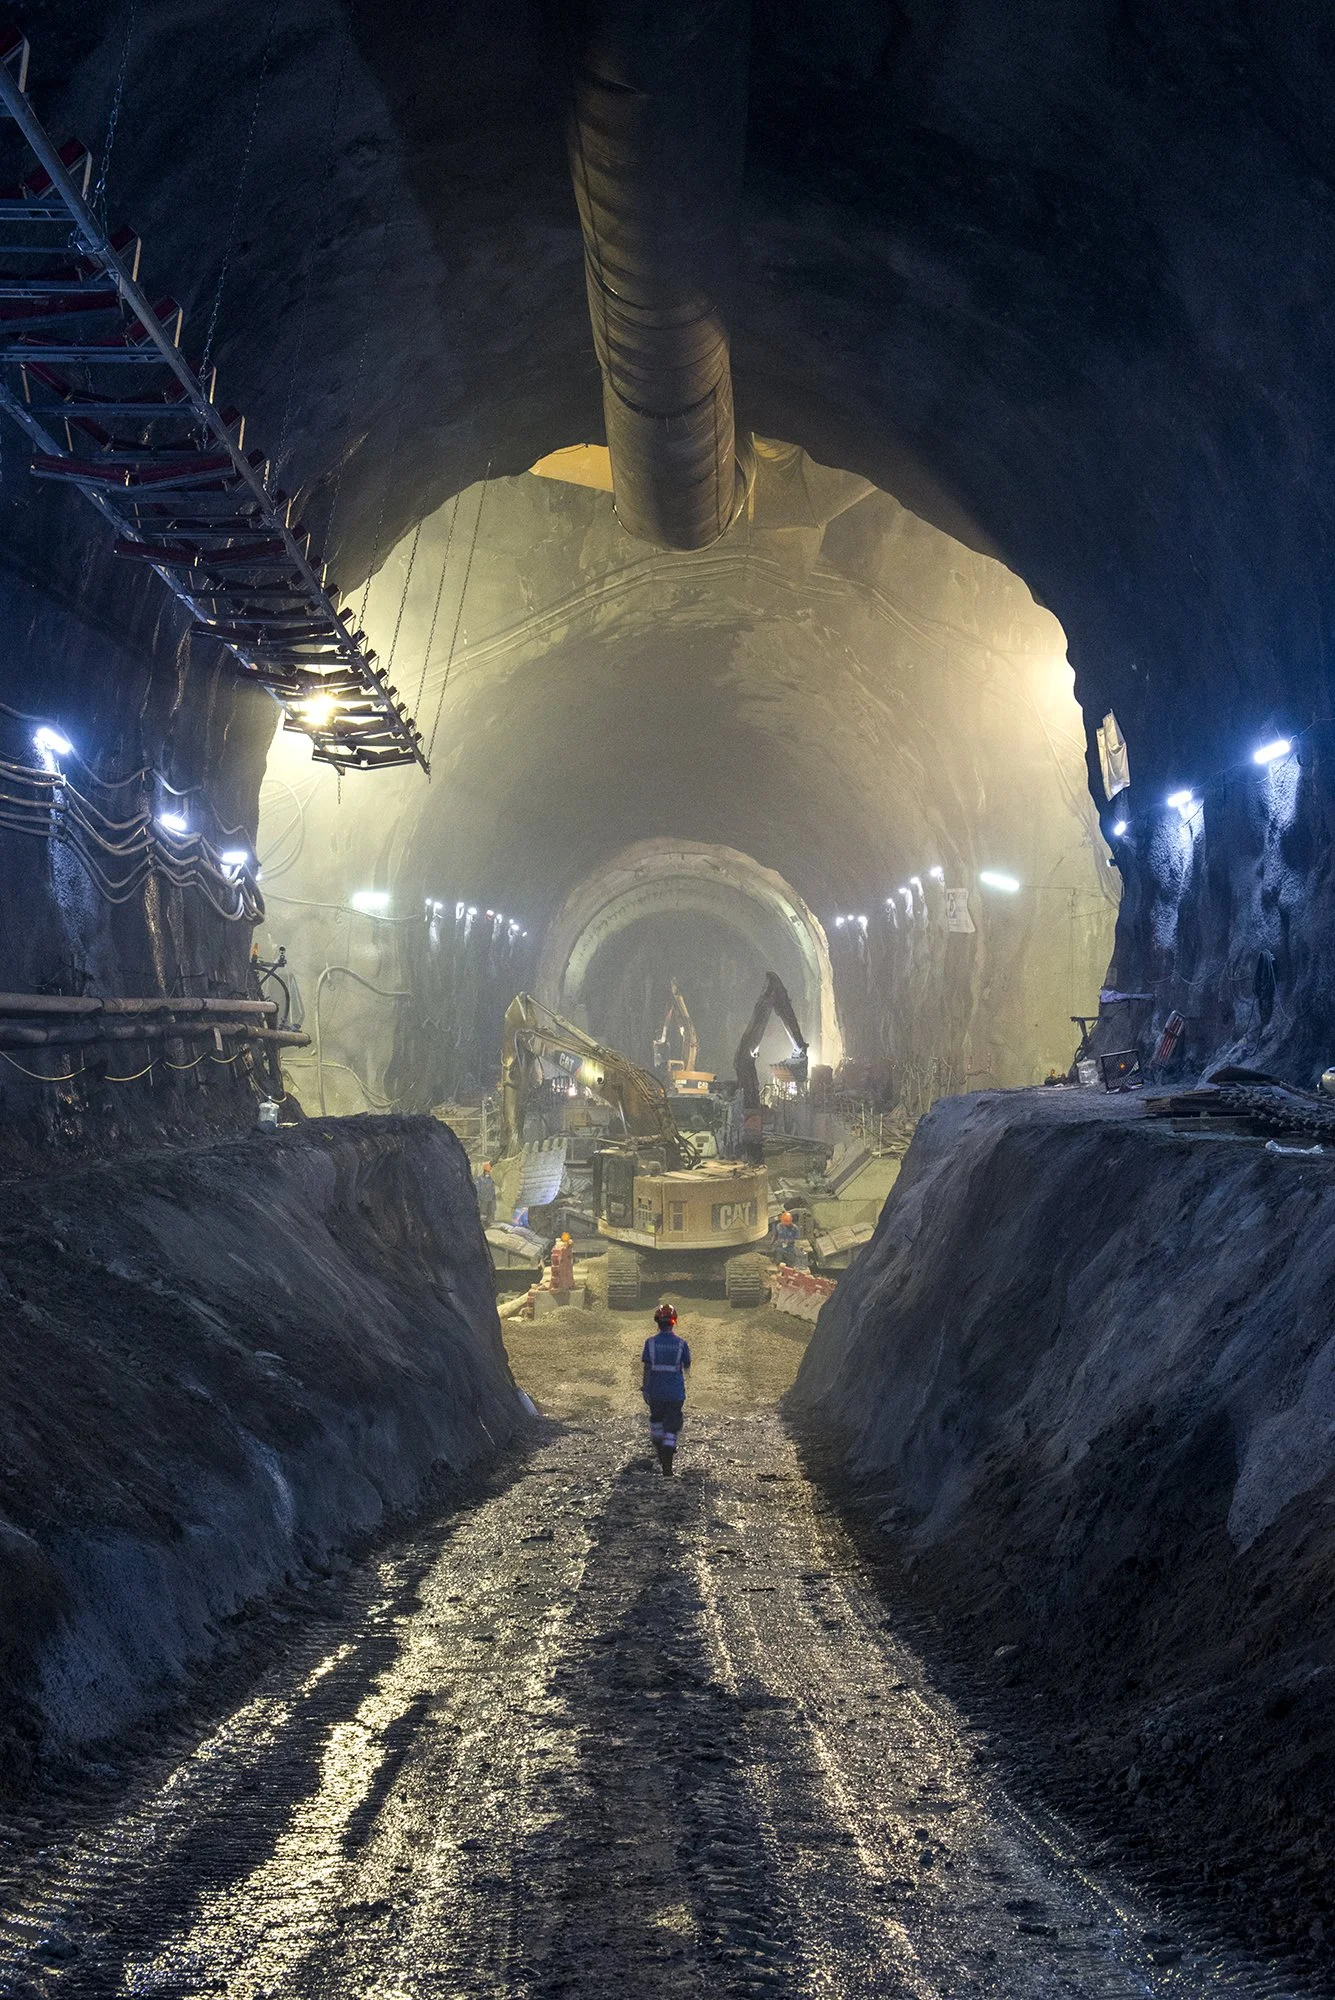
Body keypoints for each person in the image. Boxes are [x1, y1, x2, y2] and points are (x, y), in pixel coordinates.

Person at [641, 1302, 691, 1476]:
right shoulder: (681, 1344)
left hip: (656, 1391)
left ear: (657, 1322)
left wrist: (645, 1388)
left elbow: (647, 1368)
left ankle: (660, 1450)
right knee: (672, 1426)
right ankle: (668, 1461)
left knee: (657, 1421)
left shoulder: (650, 1343)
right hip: (675, 1393)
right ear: (673, 1322)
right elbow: (687, 1365)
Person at [474, 1160, 496, 1226]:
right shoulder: (479, 1179)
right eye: (487, 1171)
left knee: (490, 1211)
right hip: (483, 1199)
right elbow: (477, 1188)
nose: (488, 1173)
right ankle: (482, 1224)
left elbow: (493, 1189)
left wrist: (493, 1198)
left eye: (489, 1172)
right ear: (484, 1171)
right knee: (483, 1212)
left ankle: (488, 1223)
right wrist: (478, 1197)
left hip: (490, 1198)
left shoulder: (491, 1180)